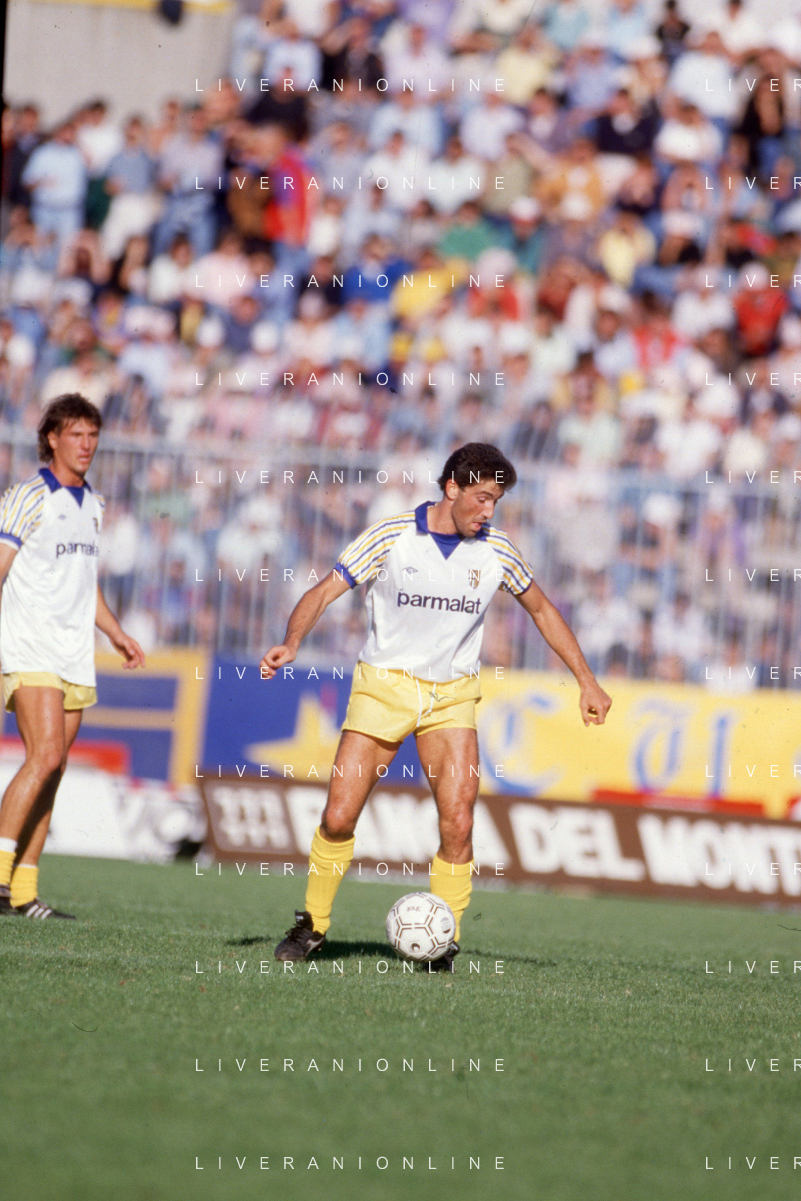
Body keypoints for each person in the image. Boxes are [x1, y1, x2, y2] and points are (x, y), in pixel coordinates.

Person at [260, 443, 612, 968]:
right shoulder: (391, 535)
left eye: (496, 502)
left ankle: (443, 941)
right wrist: (292, 642)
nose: (489, 510)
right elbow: (324, 591)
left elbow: (542, 610)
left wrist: (586, 680)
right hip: (384, 687)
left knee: (458, 821)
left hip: (451, 696)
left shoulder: (499, 551)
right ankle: (312, 925)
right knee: (337, 817)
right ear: (452, 488)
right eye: (482, 498)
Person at [0, 394, 145, 918]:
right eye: (76, 434)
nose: (86, 444)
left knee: (54, 767)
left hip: (74, 651)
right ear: (53, 438)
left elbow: (86, 582)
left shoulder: (95, 505)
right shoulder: (27, 496)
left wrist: (115, 631)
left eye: (92, 434)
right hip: (31, 644)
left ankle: (23, 892)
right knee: (44, 757)